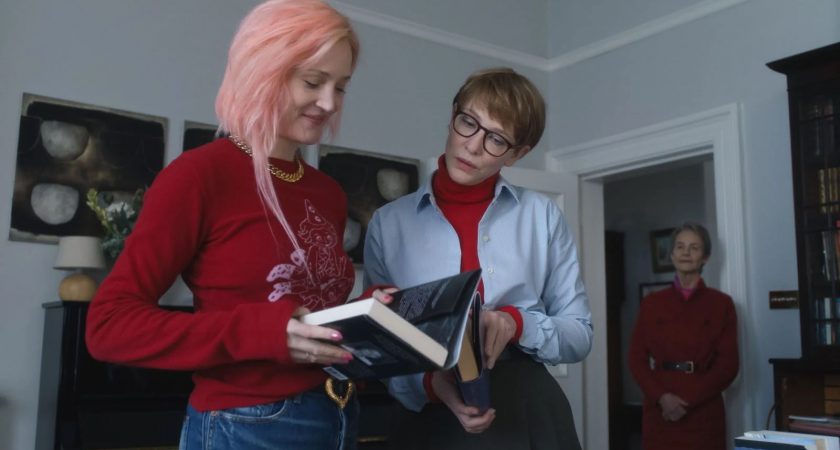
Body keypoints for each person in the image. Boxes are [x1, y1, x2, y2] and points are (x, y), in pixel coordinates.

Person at [85, 1, 370, 448]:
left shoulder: (327, 193)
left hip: (338, 414)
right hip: (245, 425)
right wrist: (262, 333)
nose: (330, 103)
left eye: (342, 87)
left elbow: (309, 314)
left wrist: (372, 313)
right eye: (313, 82)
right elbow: (109, 326)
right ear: (264, 70)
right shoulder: (199, 176)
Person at [363, 67, 593, 449]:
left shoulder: (542, 216)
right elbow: (382, 345)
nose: (472, 146)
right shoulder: (388, 224)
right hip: (428, 416)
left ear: (518, 153)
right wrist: (429, 385)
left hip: (529, 411)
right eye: (468, 122)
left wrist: (517, 323)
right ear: (453, 115)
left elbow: (579, 335)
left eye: (496, 139)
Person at [628, 222, 739, 450]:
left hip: (703, 411)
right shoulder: (652, 304)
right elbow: (636, 359)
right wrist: (662, 397)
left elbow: (728, 366)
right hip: (660, 411)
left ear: (705, 257)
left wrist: (687, 400)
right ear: (672, 255)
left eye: (694, 248)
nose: (686, 253)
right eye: (680, 247)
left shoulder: (721, 304)